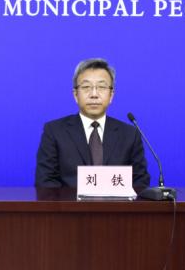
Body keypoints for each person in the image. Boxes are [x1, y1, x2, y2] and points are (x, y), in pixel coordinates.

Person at [35, 58, 150, 189]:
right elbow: (45, 181)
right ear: (75, 95)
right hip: (69, 202)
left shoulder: (130, 134)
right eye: (86, 87)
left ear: (111, 95)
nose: (94, 94)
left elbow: (140, 181)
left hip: (117, 202)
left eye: (101, 87)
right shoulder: (54, 131)